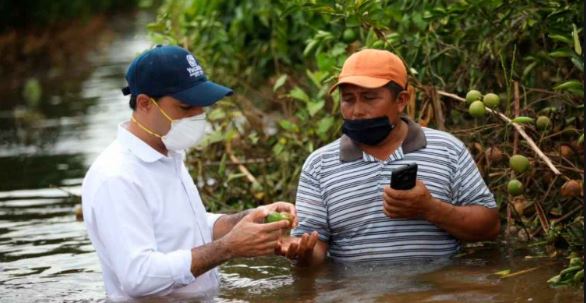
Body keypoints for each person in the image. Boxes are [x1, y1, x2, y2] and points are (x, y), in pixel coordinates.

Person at [81, 45, 296, 300]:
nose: (198, 115)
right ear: (145, 103)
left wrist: (248, 219)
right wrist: (228, 248)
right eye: (185, 107)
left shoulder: (168, 153)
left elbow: (189, 227)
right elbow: (138, 276)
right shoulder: (115, 176)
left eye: (201, 105)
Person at [277, 49, 500, 265]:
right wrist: (302, 253)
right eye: (348, 99)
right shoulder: (319, 165)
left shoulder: (448, 149)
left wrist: (430, 209)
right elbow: (314, 249)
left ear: (401, 100)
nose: (357, 111)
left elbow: (489, 227)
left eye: (369, 98)